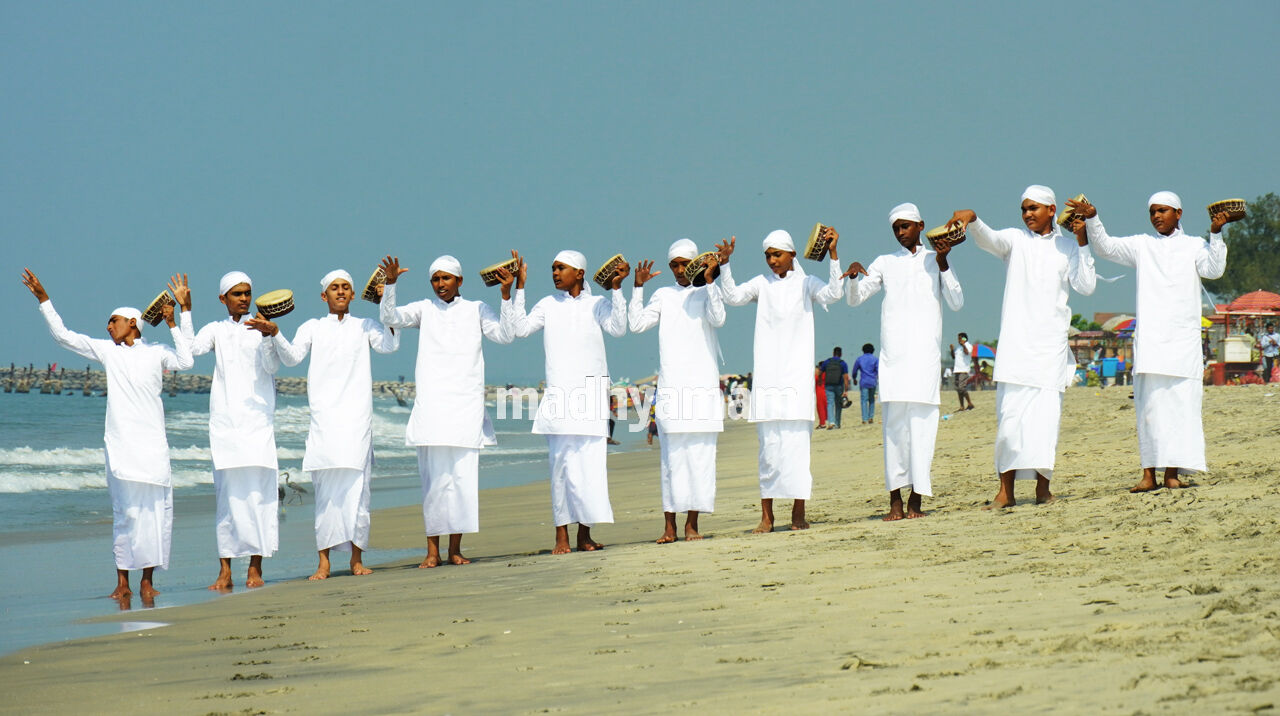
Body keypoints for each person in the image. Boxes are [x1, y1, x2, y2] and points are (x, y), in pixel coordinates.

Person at [23, 269, 193, 604]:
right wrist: (44, 299)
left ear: (132, 323)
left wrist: (175, 322)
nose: (108, 327)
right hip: (121, 446)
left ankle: (147, 581)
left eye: (113, 321)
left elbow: (186, 360)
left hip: (152, 446)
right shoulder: (108, 351)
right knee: (124, 513)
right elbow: (64, 337)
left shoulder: (157, 351)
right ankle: (122, 582)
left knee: (153, 514)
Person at [1068, 192, 1232, 491]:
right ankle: (1148, 475)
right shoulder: (1141, 245)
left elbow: (1214, 270)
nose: (1156, 216)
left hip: (1183, 343)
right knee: (1150, 411)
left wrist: (1216, 233)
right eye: (1153, 212)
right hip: (1151, 343)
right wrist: (1093, 217)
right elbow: (1105, 248)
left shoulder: (1194, 245)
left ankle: (1171, 474)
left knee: (1181, 409)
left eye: (1163, 211)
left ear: (1178, 213)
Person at [946, 185, 1096, 508]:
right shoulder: (1014, 241)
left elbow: (1086, 286)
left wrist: (1083, 241)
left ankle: (1043, 490)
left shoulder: (1068, 247)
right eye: (1024, 209)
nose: (1027, 214)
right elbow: (989, 239)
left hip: (1050, 349)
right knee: (1009, 424)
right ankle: (1006, 492)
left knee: (1045, 423)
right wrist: (973, 219)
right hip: (1016, 348)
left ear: (1051, 210)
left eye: (1033, 208)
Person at [256, 269, 399, 579]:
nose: (341, 291)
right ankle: (324, 562)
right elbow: (291, 358)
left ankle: (356, 560)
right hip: (325, 422)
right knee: (326, 495)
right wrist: (274, 333)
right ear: (324, 295)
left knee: (358, 493)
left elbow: (389, 345)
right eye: (335, 287)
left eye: (346, 287)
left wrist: (388, 294)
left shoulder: (365, 325)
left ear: (352, 294)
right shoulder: (312, 327)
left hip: (357, 421)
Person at [378, 254, 513, 568]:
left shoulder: (477, 309)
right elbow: (390, 317)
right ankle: (432, 552)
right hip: (433, 409)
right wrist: (391, 285)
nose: (440, 284)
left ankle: (455, 550)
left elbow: (505, 335)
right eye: (436, 279)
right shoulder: (423, 309)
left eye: (446, 278)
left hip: (466, 407)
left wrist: (506, 296)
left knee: (462, 481)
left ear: (459, 280)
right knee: (434, 483)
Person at [716, 229, 845, 533]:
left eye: (777, 255)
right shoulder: (761, 284)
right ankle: (767, 517)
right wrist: (725, 264)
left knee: (797, 450)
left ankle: (798, 513)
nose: (772, 261)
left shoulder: (806, 283)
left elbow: (833, 294)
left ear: (792, 255)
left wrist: (833, 255)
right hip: (768, 380)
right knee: (769, 452)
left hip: (797, 380)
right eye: (768, 256)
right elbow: (732, 297)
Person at [502, 249, 628, 554]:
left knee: (590, 468)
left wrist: (617, 290)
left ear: (579, 273)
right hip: (559, 399)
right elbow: (520, 329)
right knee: (561, 468)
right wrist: (518, 288)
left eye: (561, 268)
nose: (555, 273)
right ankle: (561, 536)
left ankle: (584, 535)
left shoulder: (598, 304)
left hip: (591, 398)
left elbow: (618, 328)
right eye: (553, 268)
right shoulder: (548, 304)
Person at [844, 203, 964, 520]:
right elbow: (855, 299)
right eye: (896, 228)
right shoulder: (885, 262)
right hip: (894, 361)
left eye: (905, 226)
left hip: (924, 360)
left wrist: (943, 263)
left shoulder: (935, 259)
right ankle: (895, 501)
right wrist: (853, 278)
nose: (900, 232)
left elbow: (956, 301)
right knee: (894, 434)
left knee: (922, 432)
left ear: (920, 226)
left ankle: (916, 501)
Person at [186, 271, 281, 591]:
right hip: (225, 425)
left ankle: (255, 567)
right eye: (237, 294)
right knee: (227, 498)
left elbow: (273, 367)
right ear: (223, 298)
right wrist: (184, 311)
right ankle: (225, 570)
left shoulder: (262, 327)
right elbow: (192, 350)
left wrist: (269, 335)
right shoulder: (215, 329)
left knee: (259, 496)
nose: (243, 298)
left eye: (247, 293)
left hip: (258, 424)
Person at [629, 238, 726, 543]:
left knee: (700, 458)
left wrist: (710, 281)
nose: (680, 269)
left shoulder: (706, 291)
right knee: (672, 460)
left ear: (696, 262)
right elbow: (636, 325)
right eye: (675, 264)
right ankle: (669, 526)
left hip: (703, 386)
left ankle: (692, 525)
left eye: (686, 263)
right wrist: (638, 287)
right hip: (672, 386)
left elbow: (719, 318)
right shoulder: (663, 295)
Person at [818, 347, 849, 428]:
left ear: (833, 353)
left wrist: (820, 381)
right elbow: (846, 377)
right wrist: (846, 390)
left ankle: (831, 422)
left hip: (828, 385)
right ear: (841, 354)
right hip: (839, 385)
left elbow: (819, 373)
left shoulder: (827, 362)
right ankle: (837, 423)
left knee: (830, 403)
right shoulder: (842, 363)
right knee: (838, 404)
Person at [851, 344, 879, 424]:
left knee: (864, 400)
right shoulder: (875, 359)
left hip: (864, 382)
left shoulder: (859, 359)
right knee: (872, 400)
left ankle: (864, 419)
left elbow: (854, 370)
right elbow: (878, 370)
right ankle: (871, 417)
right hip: (873, 381)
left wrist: (854, 378)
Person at [950, 332, 976, 411]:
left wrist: (963, 345)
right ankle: (962, 406)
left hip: (964, 370)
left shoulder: (968, 345)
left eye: (960, 338)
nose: (958, 340)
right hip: (957, 370)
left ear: (964, 339)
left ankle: (970, 403)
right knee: (958, 389)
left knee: (961, 388)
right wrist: (952, 350)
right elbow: (954, 357)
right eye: (958, 338)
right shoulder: (958, 348)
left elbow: (967, 352)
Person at [815, 364, 828, 428]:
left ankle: (822, 423)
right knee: (825, 407)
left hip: (819, 393)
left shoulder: (817, 376)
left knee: (820, 408)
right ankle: (826, 421)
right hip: (826, 391)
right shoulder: (826, 374)